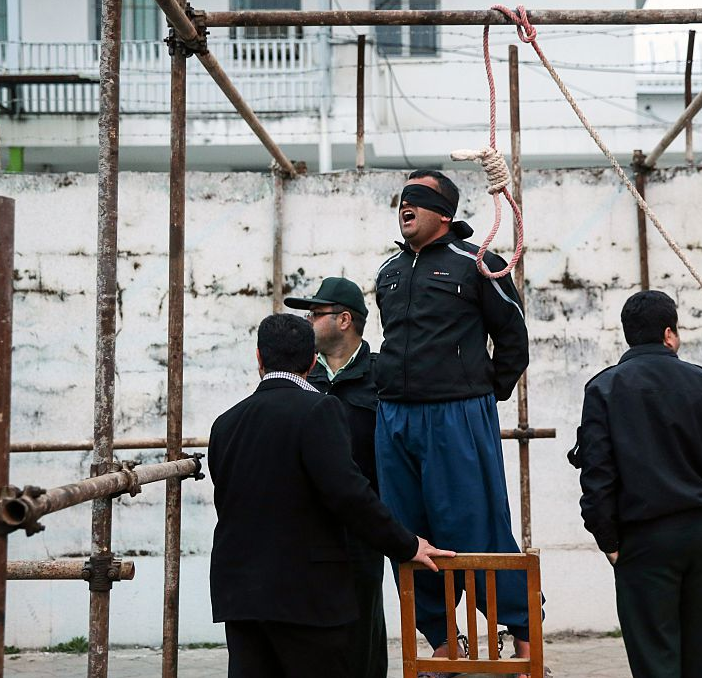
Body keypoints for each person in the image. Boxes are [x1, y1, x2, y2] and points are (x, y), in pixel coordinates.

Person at [207, 313, 454, 678]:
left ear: (258, 358)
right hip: (306, 594)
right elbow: (349, 493)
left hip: (240, 593)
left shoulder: (225, 422)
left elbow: (228, 500)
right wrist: (405, 544)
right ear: (311, 361)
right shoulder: (320, 409)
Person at [374, 170, 539, 660]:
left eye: (417, 199)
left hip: (457, 416)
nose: (405, 206)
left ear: (445, 212)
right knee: (408, 531)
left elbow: (514, 338)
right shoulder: (388, 271)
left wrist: (485, 396)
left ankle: (524, 635)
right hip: (394, 418)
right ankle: (445, 644)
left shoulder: (479, 264)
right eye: (402, 200)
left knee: (477, 526)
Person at [571, 290, 702, 678]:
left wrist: (608, 540)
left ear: (629, 334)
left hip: (642, 538)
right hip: (701, 531)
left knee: (655, 657)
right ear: (669, 334)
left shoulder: (603, 389)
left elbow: (597, 475)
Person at [284, 278, 388, 678]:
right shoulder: (302, 379)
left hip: (363, 522)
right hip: (309, 524)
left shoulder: (381, 374)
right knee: (310, 629)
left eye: (315, 314)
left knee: (362, 625)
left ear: (345, 320)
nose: (307, 322)